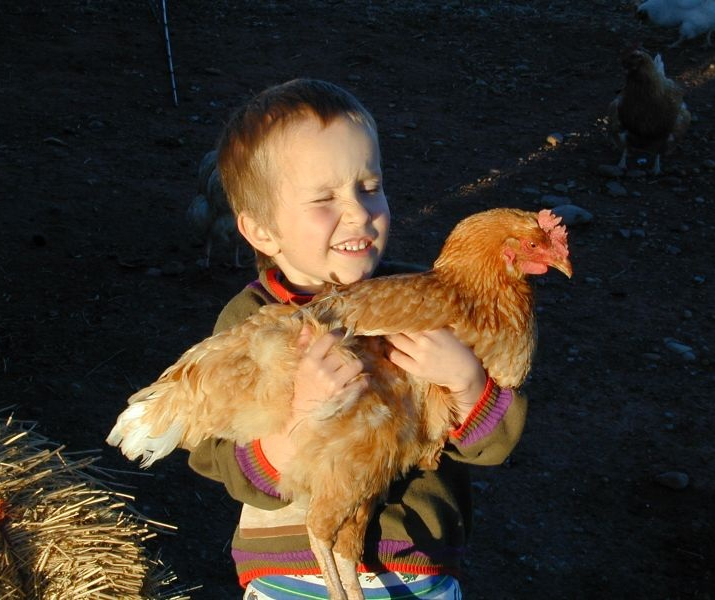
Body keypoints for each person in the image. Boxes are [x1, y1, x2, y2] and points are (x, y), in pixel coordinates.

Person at [187, 78, 528, 600]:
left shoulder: (430, 302)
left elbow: (491, 447)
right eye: (324, 198)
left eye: (370, 187)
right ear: (261, 231)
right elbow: (214, 453)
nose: (358, 212)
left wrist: (466, 381)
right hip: (290, 571)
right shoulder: (253, 320)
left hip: (414, 566)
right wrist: (295, 418)